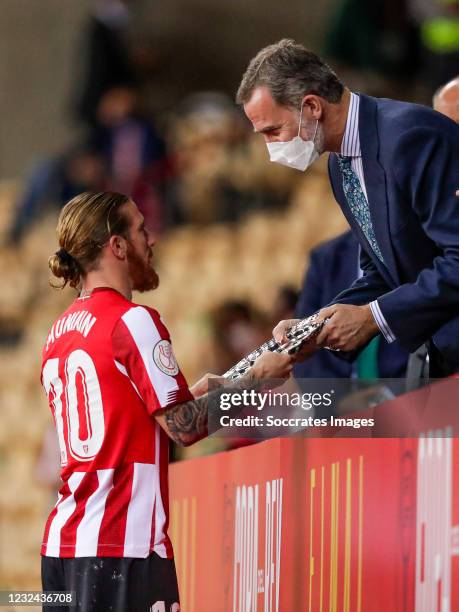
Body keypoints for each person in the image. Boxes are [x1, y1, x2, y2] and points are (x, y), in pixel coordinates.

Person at [40, 191, 292, 611]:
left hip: (63, 548)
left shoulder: (57, 333)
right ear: (116, 246)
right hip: (124, 545)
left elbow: (121, 423)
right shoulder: (133, 320)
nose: (151, 239)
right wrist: (256, 381)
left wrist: (195, 394)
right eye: (140, 230)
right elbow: (185, 427)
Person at [237, 39, 459, 376]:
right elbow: (383, 271)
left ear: (312, 106)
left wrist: (373, 317)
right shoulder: (340, 164)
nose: (270, 148)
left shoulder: (410, 136)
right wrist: (315, 328)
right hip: (436, 353)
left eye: (273, 130)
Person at [294, 231, 409, 379]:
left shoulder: (408, 241)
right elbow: (305, 354)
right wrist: (339, 399)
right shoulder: (324, 258)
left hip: (410, 388)